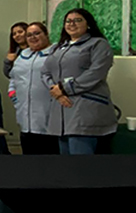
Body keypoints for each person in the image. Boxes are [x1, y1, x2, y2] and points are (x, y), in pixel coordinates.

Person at [42, 9, 117, 155]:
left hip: (85, 109)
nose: (72, 24)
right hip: (61, 109)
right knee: (66, 164)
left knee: (81, 163)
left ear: (88, 24)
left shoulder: (98, 44)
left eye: (78, 20)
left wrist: (64, 89)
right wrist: (57, 92)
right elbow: (45, 72)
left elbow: (96, 73)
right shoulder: (60, 47)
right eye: (68, 21)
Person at [8, 22, 58, 154]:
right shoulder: (23, 56)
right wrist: (14, 97)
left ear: (46, 34)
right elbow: (13, 78)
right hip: (25, 118)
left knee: (49, 159)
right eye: (29, 35)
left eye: (37, 33)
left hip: (50, 118)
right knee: (29, 157)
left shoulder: (56, 54)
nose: (33, 37)